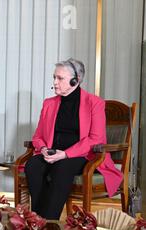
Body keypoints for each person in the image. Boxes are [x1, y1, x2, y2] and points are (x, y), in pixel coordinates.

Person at [24, 58, 123, 220]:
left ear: (75, 80)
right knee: (33, 165)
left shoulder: (94, 103)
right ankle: (37, 220)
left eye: (60, 78)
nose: (55, 82)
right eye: (54, 77)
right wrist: (43, 149)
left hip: (83, 155)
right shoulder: (49, 103)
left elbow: (95, 139)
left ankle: (49, 225)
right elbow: (38, 136)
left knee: (62, 167)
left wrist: (64, 154)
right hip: (52, 153)